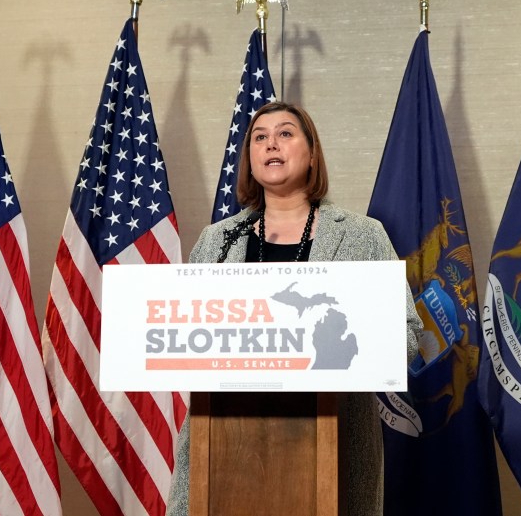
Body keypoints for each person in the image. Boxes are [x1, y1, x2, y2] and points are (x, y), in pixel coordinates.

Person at [166, 101, 424, 516]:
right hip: (225, 442)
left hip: (333, 435)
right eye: (260, 137)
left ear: (312, 153)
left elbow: (406, 336)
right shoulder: (217, 240)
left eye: (286, 134)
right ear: (249, 157)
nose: (272, 144)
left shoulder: (363, 235)